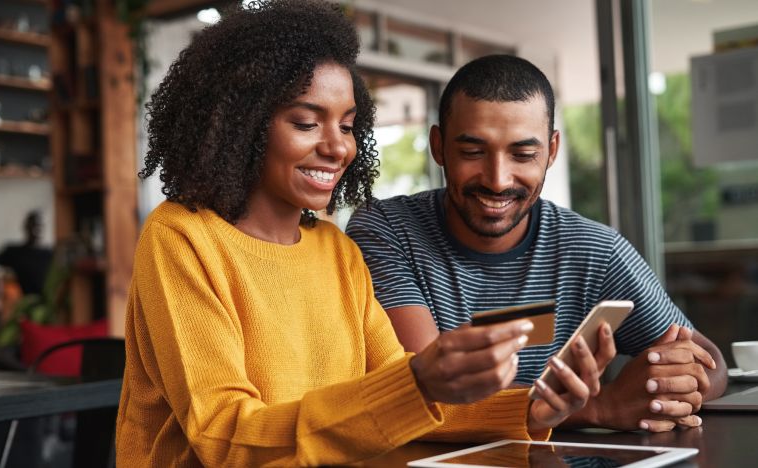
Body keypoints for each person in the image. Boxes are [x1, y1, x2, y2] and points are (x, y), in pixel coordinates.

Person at [115, 3, 617, 466]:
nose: (337, 147)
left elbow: (400, 397)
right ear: (242, 124)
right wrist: (418, 382)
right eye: (307, 123)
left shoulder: (336, 251)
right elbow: (224, 436)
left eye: (350, 126)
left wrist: (531, 410)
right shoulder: (182, 238)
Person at [346, 54, 727, 434]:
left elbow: (711, 363)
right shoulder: (386, 231)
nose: (498, 180)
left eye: (523, 154)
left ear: (552, 151)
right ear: (439, 146)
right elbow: (425, 393)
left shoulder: (594, 250)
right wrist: (601, 407)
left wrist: (670, 385)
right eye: (473, 152)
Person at [0, 210, 53, 296]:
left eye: (39, 225)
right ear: (26, 227)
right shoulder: (14, 253)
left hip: (46, 301)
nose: (36, 229)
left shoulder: (50, 254)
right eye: (33, 225)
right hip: (24, 301)